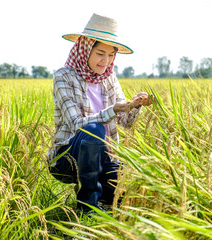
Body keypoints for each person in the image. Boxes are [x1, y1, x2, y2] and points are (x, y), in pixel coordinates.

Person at [48, 13, 153, 214]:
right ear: (86, 48)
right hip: (68, 157)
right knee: (94, 129)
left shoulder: (109, 78)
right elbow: (76, 124)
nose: (106, 60)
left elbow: (125, 122)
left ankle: (102, 199)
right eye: (100, 53)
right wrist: (111, 110)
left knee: (126, 194)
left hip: (105, 157)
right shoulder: (64, 76)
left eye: (111, 55)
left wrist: (134, 105)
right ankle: (87, 205)